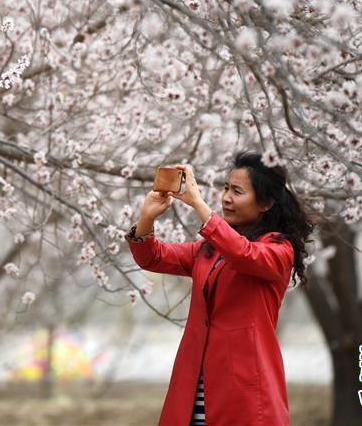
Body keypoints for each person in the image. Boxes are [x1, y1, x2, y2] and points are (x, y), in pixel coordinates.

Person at [124, 151, 314, 426]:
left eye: (237, 191)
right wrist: (146, 218)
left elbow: (244, 254)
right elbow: (151, 257)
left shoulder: (278, 250)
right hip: (194, 390)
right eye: (226, 188)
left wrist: (199, 205)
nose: (226, 198)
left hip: (244, 393)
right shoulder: (208, 251)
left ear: (266, 203)